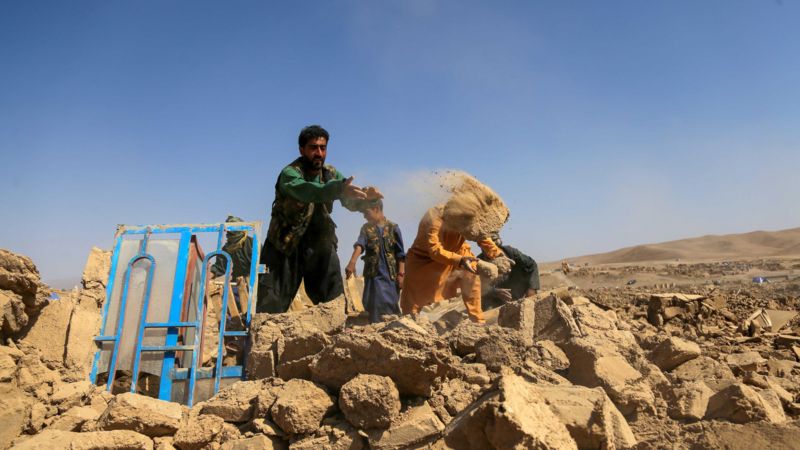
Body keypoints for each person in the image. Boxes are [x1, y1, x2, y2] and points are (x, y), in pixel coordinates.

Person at [257, 125, 374, 313]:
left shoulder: (330, 174)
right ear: (302, 150)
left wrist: (367, 200)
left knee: (333, 303)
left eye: (323, 148)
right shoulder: (290, 174)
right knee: (270, 306)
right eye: (313, 148)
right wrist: (338, 189)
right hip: (285, 246)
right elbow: (309, 191)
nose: (319, 153)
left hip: (320, 245)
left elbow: (348, 199)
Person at [399, 205, 508, 323]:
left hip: (458, 253)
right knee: (413, 301)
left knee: (471, 276)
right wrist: (460, 261)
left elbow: (481, 234)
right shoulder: (435, 217)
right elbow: (434, 250)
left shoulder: (472, 216)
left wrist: (497, 254)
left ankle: (477, 321)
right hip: (424, 260)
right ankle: (409, 324)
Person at [344, 198, 406, 323]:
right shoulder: (366, 228)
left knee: (390, 303)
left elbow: (401, 254)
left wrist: (401, 274)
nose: (365, 216)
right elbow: (360, 245)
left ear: (376, 209)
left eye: (366, 212)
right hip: (373, 275)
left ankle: (391, 327)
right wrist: (352, 262)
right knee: (373, 302)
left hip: (390, 276)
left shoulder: (394, 228)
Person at [477, 232, 540, 310]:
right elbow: (475, 286)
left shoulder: (510, 252)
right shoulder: (479, 262)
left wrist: (532, 289)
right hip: (494, 298)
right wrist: (494, 292)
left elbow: (531, 264)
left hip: (516, 289)